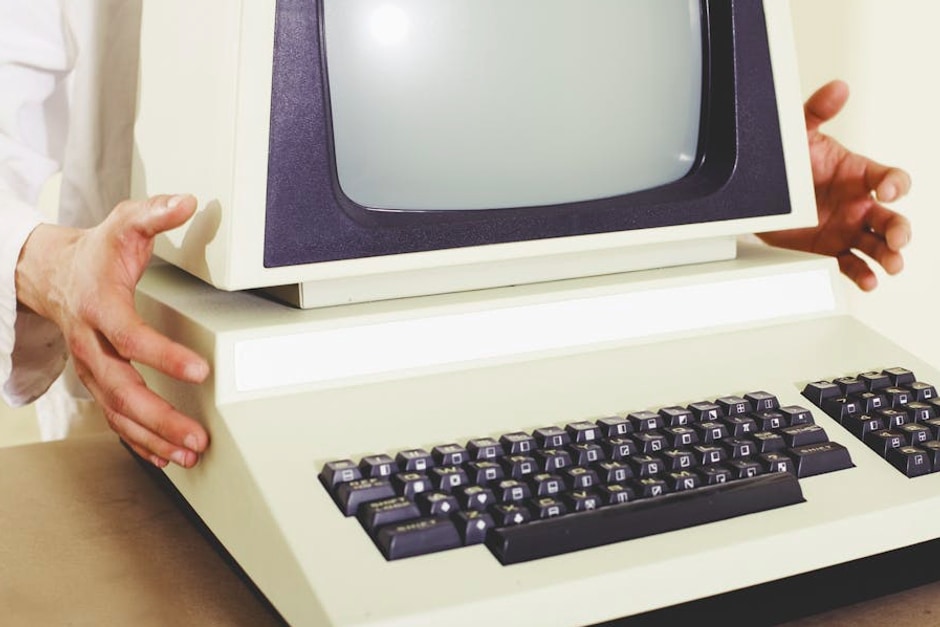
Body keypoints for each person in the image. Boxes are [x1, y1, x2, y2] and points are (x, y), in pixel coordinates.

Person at [0, 4, 913, 470]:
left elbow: (540, 59)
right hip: (178, 403)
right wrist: (47, 264)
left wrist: (747, 173)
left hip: (561, 387)